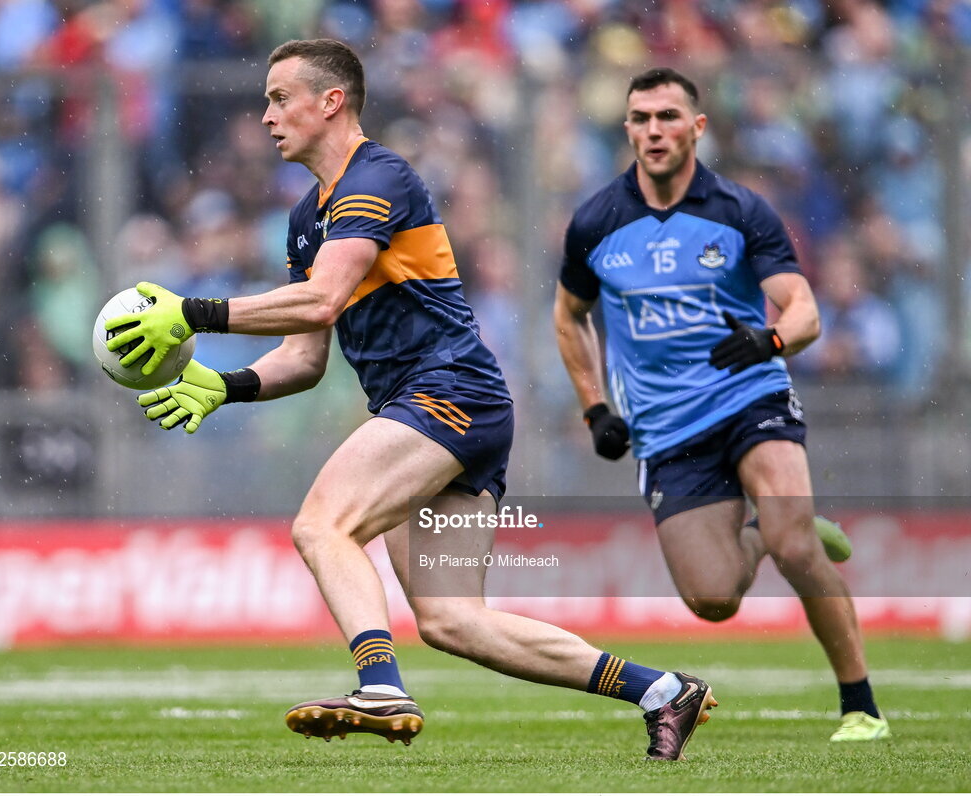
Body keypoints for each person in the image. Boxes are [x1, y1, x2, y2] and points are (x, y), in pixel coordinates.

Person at [106, 39, 716, 760]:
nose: (266, 116)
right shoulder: (307, 217)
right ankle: (661, 690)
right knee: (454, 620)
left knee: (323, 526)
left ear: (331, 102)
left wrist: (195, 313)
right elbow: (306, 354)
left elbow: (324, 294)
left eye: (279, 98)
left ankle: (380, 687)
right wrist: (228, 386)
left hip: (445, 392)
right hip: (451, 404)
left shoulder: (379, 175)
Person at [553, 67, 888, 743]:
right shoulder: (595, 222)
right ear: (627, 129)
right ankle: (763, 532)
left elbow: (805, 312)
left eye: (668, 117)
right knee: (712, 600)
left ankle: (862, 707)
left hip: (749, 397)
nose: (654, 130)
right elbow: (568, 317)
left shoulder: (740, 211)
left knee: (799, 547)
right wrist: (595, 409)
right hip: (666, 428)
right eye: (641, 118)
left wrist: (767, 339)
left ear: (696, 127)